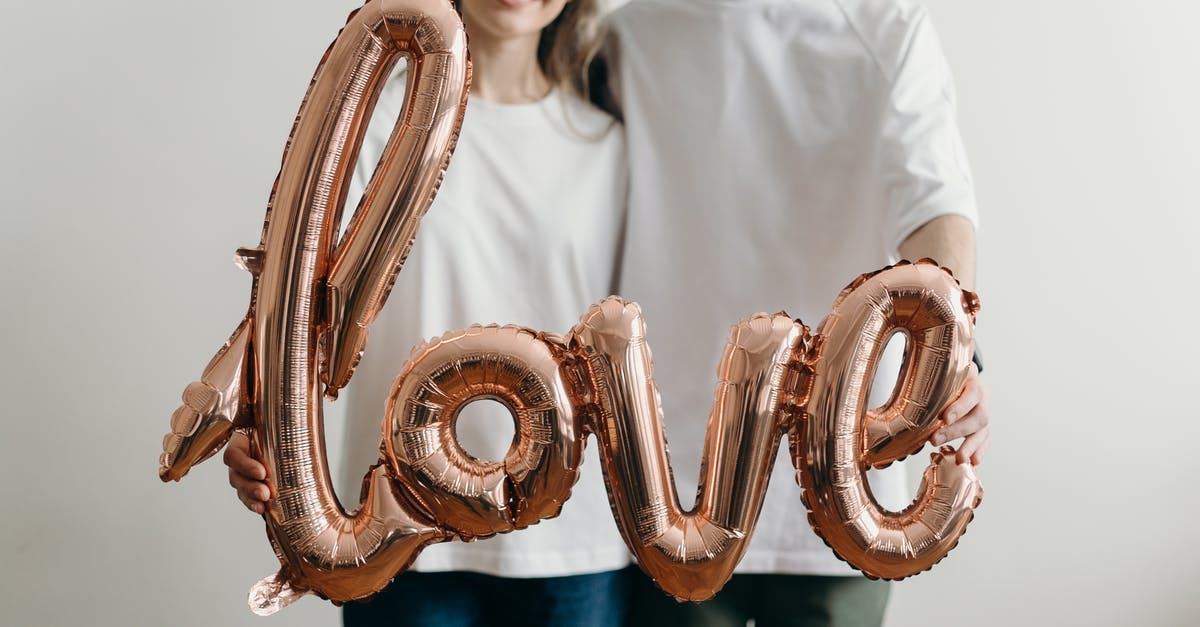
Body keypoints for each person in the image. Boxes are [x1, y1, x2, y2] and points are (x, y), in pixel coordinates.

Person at [224, 0, 632, 625]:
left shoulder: (606, 144)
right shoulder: (378, 121)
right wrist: (252, 412)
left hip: (570, 537)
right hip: (396, 525)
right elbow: (298, 296)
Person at [606, 0, 990, 625]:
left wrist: (955, 357)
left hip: (841, 489)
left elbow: (936, 207)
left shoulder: (885, 24)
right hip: (667, 486)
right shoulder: (626, 32)